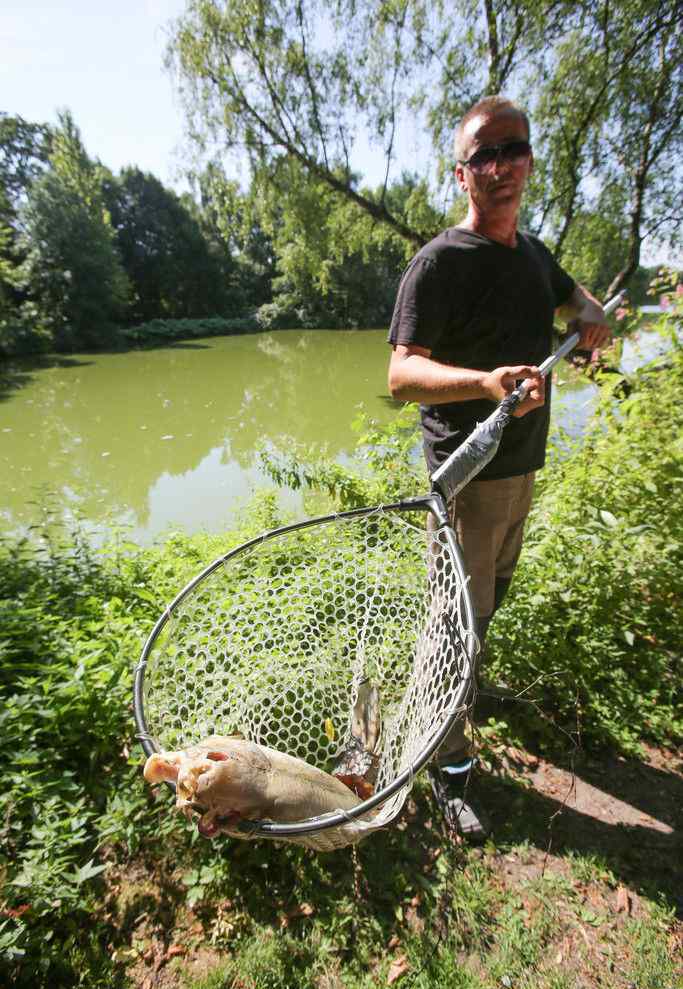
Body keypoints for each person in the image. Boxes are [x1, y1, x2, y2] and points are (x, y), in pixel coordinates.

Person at [387, 95, 611, 841]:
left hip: (521, 470)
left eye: (510, 149)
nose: (498, 166)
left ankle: (460, 700)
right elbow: (401, 375)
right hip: (466, 478)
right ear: (461, 175)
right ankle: (446, 768)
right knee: (453, 626)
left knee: (483, 612)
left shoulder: (532, 252)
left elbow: (573, 302)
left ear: (528, 159)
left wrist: (588, 320)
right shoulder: (438, 262)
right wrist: (484, 383)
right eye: (482, 155)